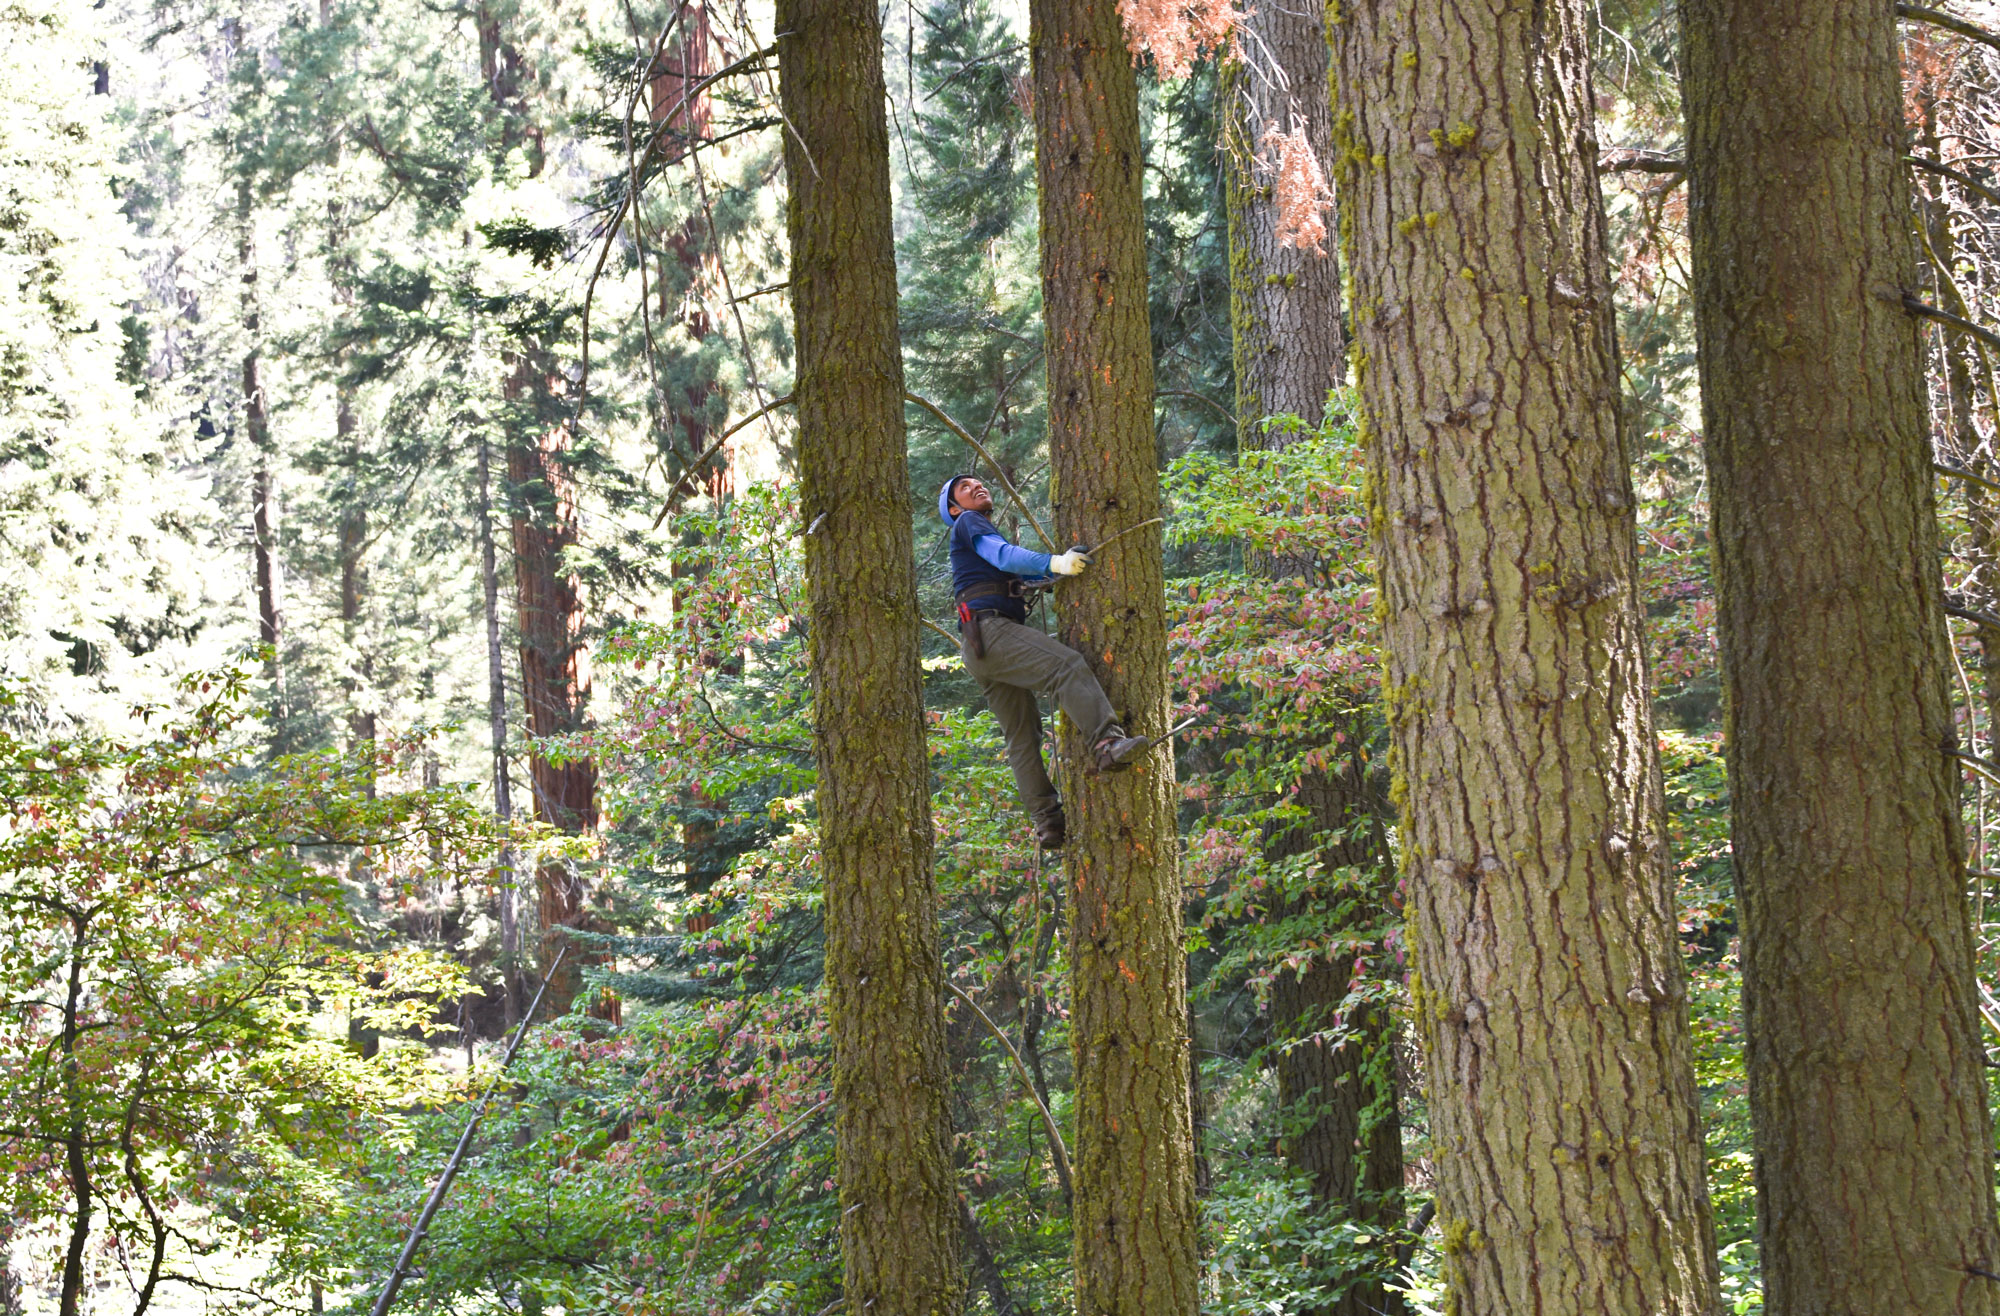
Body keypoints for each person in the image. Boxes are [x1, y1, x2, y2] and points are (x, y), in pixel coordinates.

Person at [939, 473, 1148, 850]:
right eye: (964, 488)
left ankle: (1048, 822)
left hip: (979, 647)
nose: (976, 486)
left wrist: (1056, 570)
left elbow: (1014, 572)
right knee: (1065, 667)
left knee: (1022, 737)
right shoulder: (970, 524)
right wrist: (1056, 563)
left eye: (977, 482)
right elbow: (1003, 556)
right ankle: (1106, 745)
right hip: (991, 633)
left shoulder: (976, 536)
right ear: (954, 509)